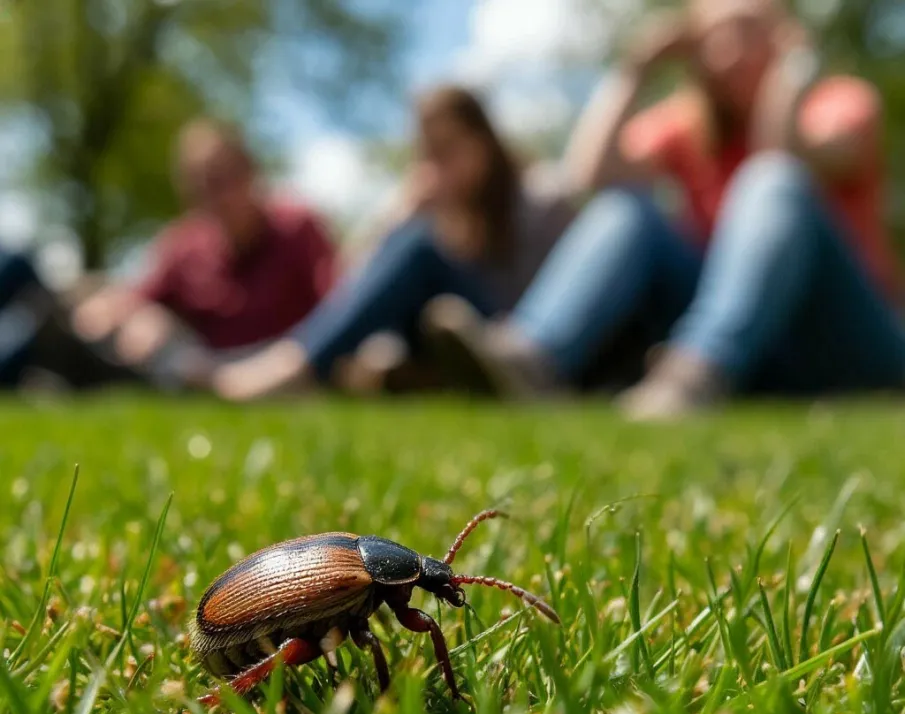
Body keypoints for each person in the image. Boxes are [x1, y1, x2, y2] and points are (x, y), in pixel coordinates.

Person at [423, 0, 905, 416]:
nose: (728, 52)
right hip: (760, 352)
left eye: (746, 31)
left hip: (852, 339)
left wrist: (791, 74)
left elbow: (781, 158)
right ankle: (530, 357)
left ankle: (694, 373)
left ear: (782, 36)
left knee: (771, 181)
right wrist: (637, 68)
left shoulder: (837, 102)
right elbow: (588, 177)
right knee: (627, 210)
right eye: (714, 38)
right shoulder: (689, 128)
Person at [209, 85, 576, 400]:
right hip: (449, 338)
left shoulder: (539, 197)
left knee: (419, 250)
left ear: (484, 141)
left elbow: (547, 313)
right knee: (411, 253)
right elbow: (348, 280)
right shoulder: (437, 216)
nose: (437, 167)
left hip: (514, 344)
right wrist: (399, 214)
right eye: (428, 154)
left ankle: (294, 367)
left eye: (448, 150)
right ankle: (374, 371)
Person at [71, 118, 337, 387]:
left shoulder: (298, 226)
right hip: (211, 368)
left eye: (224, 181)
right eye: (200, 188)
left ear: (251, 173)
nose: (216, 198)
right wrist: (138, 315)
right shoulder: (184, 242)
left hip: (288, 361)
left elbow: (338, 303)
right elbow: (136, 299)